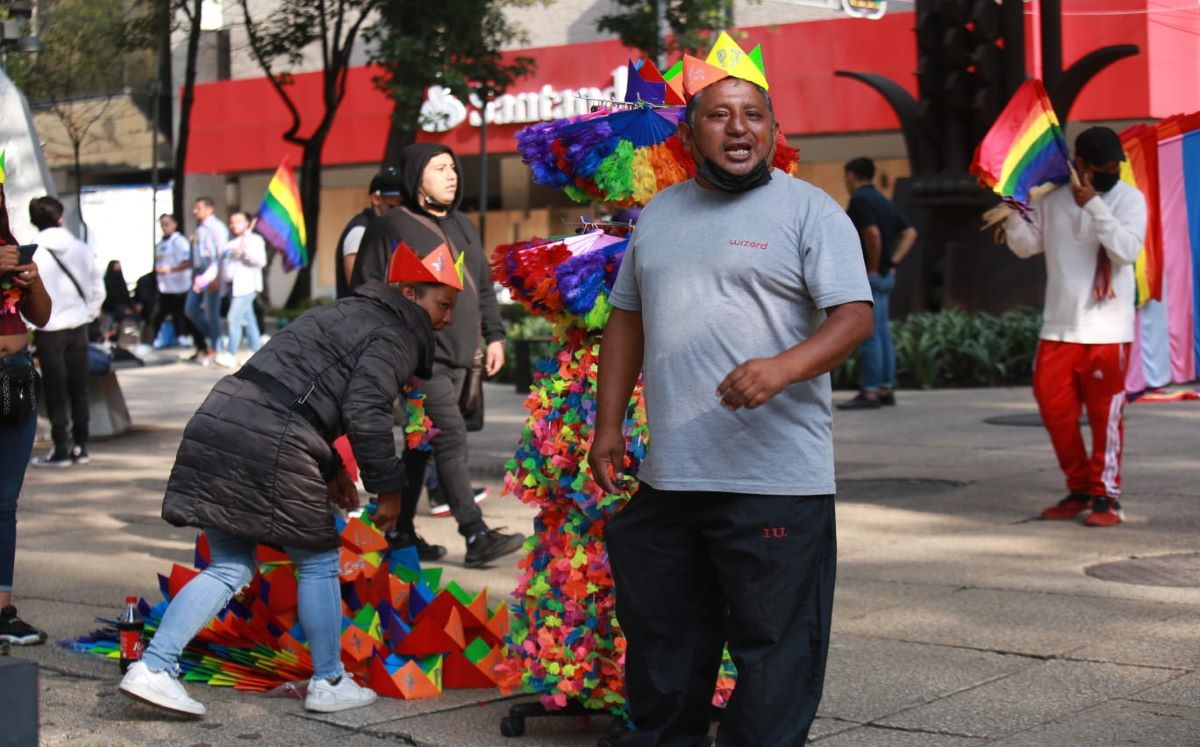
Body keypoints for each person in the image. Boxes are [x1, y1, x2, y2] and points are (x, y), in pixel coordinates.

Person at [588, 43, 873, 745]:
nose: (739, 128)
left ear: (774, 129)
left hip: (775, 481)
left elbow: (854, 316)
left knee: (775, 656)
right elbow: (627, 320)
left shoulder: (812, 212)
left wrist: (783, 367)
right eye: (720, 115)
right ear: (690, 134)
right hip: (673, 475)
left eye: (754, 115)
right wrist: (607, 426)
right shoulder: (658, 214)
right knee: (663, 648)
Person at [118, 242, 462, 716]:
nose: (446, 319)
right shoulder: (396, 334)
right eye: (443, 305)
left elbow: (302, 389)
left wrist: (334, 469)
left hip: (222, 415)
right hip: (271, 437)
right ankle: (328, 680)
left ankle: (153, 667)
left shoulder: (344, 312)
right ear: (408, 292)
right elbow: (364, 410)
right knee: (318, 560)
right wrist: (390, 489)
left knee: (229, 565)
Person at [350, 143, 521, 568]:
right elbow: (366, 290)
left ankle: (399, 532)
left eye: (453, 168)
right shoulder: (390, 226)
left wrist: (494, 336)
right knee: (449, 436)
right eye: (439, 168)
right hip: (417, 361)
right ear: (415, 177)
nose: (452, 175)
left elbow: (481, 285)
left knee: (420, 446)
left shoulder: (464, 224)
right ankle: (475, 531)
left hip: (462, 358)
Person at [1001, 126, 1146, 527]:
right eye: (1102, 166)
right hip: (1060, 328)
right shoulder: (1053, 200)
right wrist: (1014, 211)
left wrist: (1095, 205)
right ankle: (1080, 486)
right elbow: (1027, 245)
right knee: (1054, 411)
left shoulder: (1129, 199)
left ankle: (1106, 496)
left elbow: (1126, 251)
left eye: (1115, 165)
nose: (1110, 171)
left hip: (1109, 331)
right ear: (1079, 164)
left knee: (1105, 417)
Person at [0, 184, 53, 652]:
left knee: (5, 502)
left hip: (15, 379)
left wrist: (31, 282)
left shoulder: (11, 249)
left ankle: (2, 611)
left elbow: (42, 316)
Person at [28, 196, 105, 468]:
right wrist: (87, 313)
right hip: (79, 326)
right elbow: (98, 289)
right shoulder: (82, 248)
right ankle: (81, 446)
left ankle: (61, 447)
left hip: (48, 328)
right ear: (60, 218)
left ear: (34, 221)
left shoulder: (34, 253)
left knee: (55, 389)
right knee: (79, 388)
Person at [837, 157, 917, 410]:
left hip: (870, 276)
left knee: (870, 334)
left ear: (851, 175)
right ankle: (885, 388)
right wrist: (892, 262)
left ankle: (870, 392)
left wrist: (872, 267)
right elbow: (910, 232)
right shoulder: (883, 200)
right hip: (885, 276)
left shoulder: (860, 200)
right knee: (882, 333)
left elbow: (872, 233)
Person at [335, 167, 403, 299]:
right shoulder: (360, 231)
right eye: (394, 201)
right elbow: (357, 286)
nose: (400, 208)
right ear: (376, 199)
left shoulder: (387, 229)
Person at [215, 211, 267, 367]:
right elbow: (224, 266)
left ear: (247, 223)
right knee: (249, 320)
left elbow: (260, 262)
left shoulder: (255, 240)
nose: (234, 225)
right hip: (232, 288)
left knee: (233, 318)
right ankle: (256, 350)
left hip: (247, 287)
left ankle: (230, 353)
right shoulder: (230, 244)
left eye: (238, 221)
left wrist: (245, 252)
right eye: (231, 222)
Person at [185, 197, 228, 365]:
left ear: (210, 209)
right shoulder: (199, 228)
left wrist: (216, 277)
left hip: (211, 271)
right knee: (190, 309)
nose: (195, 211)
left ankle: (216, 348)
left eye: (199, 208)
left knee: (212, 313)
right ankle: (215, 338)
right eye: (195, 208)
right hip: (198, 271)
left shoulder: (216, 228)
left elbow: (221, 255)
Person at [153, 213, 195, 347]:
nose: (164, 227)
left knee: (181, 312)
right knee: (161, 313)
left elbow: (187, 262)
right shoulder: (160, 243)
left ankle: (184, 335)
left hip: (179, 285)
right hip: (165, 286)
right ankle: (156, 338)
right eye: (162, 225)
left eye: (167, 224)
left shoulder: (179, 242)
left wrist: (170, 269)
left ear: (174, 224)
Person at [101, 260, 135, 342]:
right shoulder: (106, 282)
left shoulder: (121, 282)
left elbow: (125, 296)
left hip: (121, 310)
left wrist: (129, 307)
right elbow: (107, 297)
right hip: (109, 310)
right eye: (116, 267)